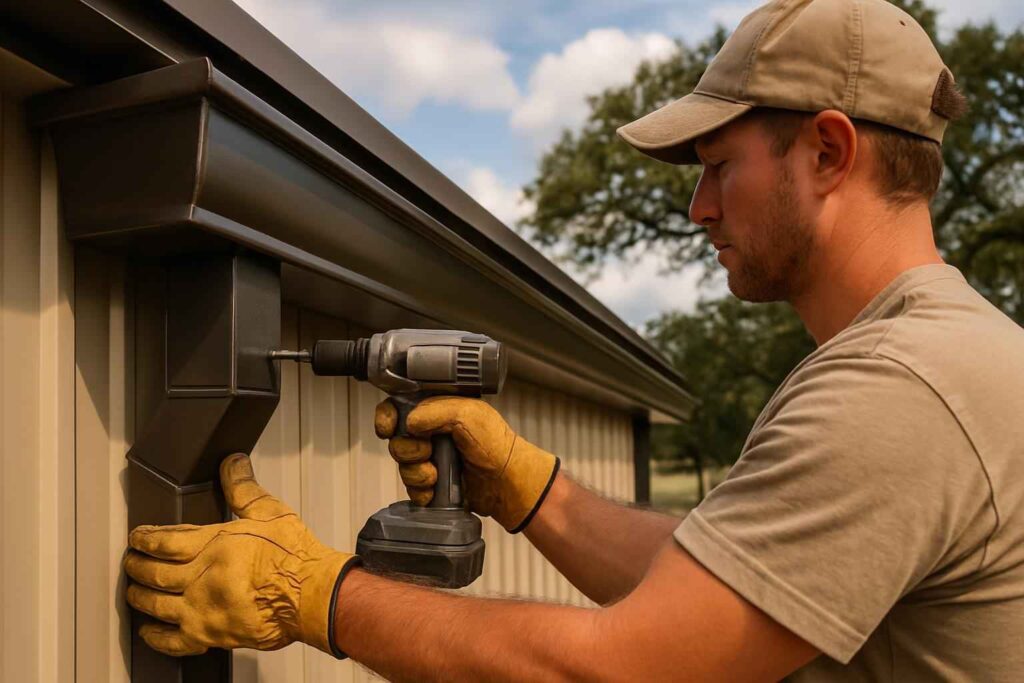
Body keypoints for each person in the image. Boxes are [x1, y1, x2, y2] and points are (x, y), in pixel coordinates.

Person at [122, 0, 1024, 679]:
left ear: (828, 152)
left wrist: (313, 593)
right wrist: (531, 489)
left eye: (719, 167)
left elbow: (621, 668)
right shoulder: (944, 356)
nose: (698, 207)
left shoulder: (896, 391)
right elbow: (723, 584)